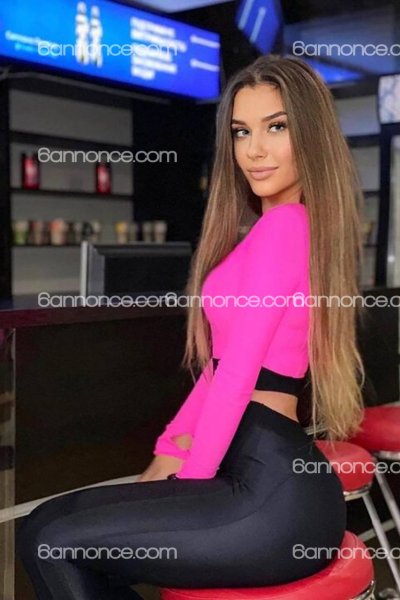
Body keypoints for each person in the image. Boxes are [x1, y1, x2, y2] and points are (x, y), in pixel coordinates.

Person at [16, 54, 366, 599]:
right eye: (241, 132)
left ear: (311, 135)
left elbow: (238, 376)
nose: (254, 150)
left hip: (267, 491)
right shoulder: (271, 230)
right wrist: (168, 455)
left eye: (276, 127)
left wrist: (188, 482)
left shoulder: (286, 227)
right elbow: (218, 369)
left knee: (49, 539)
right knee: (48, 528)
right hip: (261, 482)